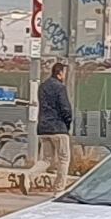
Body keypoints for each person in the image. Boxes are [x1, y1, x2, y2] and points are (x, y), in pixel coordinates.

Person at [33, 60, 76, 194]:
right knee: (63, 159)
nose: (65, 76)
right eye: (64, 73)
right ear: (59, 73)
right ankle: (59, 189)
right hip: (58, 128)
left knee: (46, 159)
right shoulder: (60, 88)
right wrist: (67, 124)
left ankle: (29, 176)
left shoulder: (42, 87)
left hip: (43, 128)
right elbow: (65, 109)